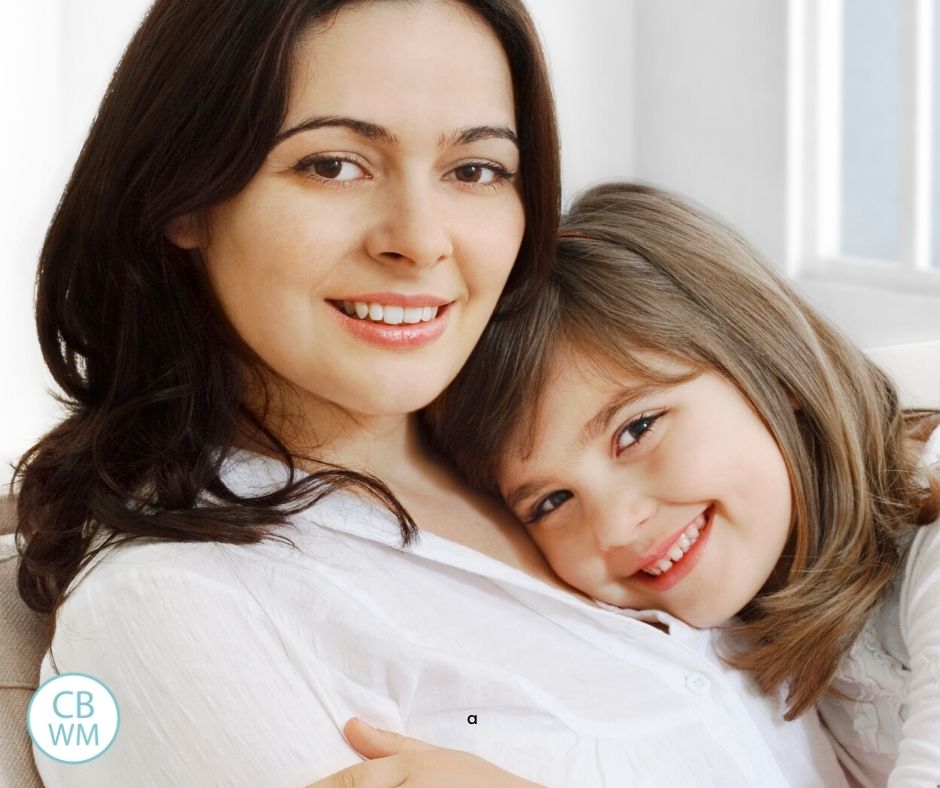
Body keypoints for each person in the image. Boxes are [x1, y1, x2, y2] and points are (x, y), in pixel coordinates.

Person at [13, 0, 846, 784]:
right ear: (183, 196)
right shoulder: (174, 609)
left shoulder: (539, 456)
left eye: (476, 168)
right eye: (333, 164)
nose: (419, 240)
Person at [425, 181, 940, 787]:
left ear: (774, 367)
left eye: (636, 429)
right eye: (552, 501)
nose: (616, 525)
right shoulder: (753, 609)